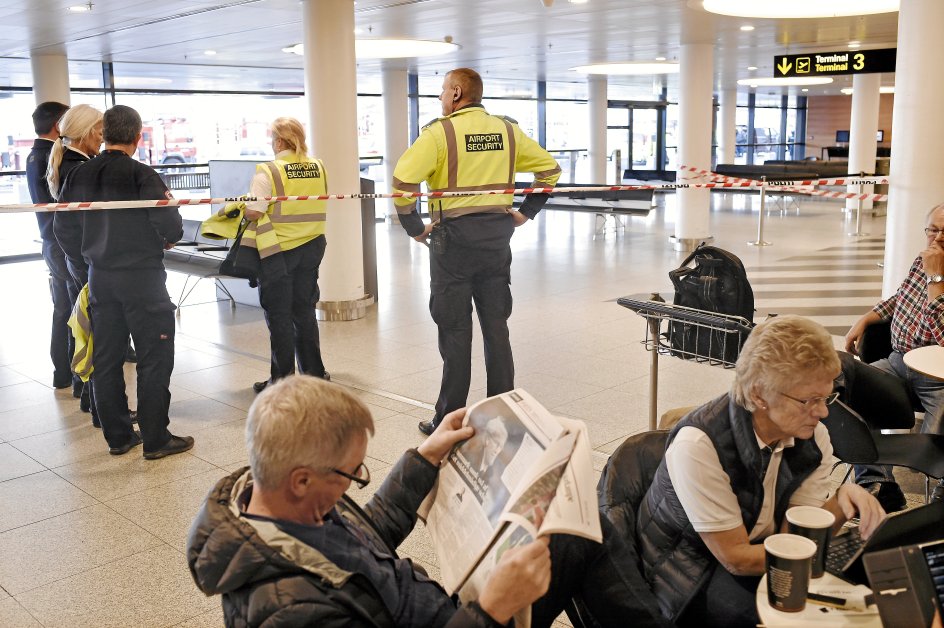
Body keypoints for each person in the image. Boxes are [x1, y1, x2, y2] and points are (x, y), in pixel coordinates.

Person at [187, 375, 669, 628]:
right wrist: (493, 609)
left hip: (446, 612)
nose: (358, 479)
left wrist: (423, 459)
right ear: (300, 480)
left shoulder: (283, 502)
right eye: (352, 473)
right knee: (581, 541)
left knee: (583, 530)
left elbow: (365, 538)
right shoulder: (289, 611)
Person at [637, 315, 885, 627]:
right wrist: (817, 549)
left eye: (826, 397)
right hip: (689, 572)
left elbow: (793, 535)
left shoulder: (811, 433)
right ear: (758, 395)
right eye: (809, 400)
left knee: (849, 600)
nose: (822, 412)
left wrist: (841, 502)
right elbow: (736, 558)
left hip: (758, 552)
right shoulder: (700, 445)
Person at [391, 68, 562, 436]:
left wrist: (415, 228)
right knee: (496, 327)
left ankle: (449, 418)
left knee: (454, 330)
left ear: (456, 92)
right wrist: (525, 213)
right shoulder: (508, 131)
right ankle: (502, 414)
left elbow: (402, 182)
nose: (439, 98)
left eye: (441, 91)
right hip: (496, 239)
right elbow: (550, 170)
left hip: (452, 243)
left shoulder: (440, 133)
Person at [58, 104, 192, 459]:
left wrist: (85, 262)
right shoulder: (142, 175)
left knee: (107, 357)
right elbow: (172, 226)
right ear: (137, 136)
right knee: (154, 356)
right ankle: (156, 438)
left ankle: (118, 436)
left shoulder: (79, 175)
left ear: (105, 134)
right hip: (143, 279)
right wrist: (164, 237)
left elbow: (64, 229)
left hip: (100, 278)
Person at [845, 202, 944, 505]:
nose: (937, 238)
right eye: (933, 230)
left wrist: (936, 280)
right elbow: (900, 298)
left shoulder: (933, 268)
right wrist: (866, 317)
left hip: (939, 376)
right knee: (851, 393)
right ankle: (879, 484)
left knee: (932, 445)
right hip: (899, 361)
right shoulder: (923, 260)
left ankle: (938, 497)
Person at [239, 117, 329, 394]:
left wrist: (243, 206)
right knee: (303, 311)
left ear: (279, 141)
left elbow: (254, 211)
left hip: (279, 251)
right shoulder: (318, 166)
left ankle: (282, 381)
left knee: (279, 315)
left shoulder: (270, 171)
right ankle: (314, 374)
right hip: (312, 246)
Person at [46, 104, 104, 421]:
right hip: (85, 260)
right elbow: (73, 227)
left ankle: (85, 393)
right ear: (83, 132)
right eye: (98, 129)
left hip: (76, 259)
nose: (102, 136)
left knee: (80, 325)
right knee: (94, 330)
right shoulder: (79, 170)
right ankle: (96, 402)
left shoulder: (69, 162)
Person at [26, 101, 74, 390]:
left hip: (51, 241)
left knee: (63, 308)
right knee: (69, 310)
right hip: (61, 243)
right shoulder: (51, 156)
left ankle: (63, 372)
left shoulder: (35, 155)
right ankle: (70, 373)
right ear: (59, 125)